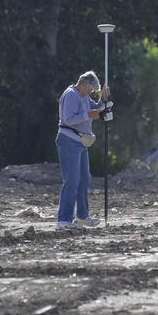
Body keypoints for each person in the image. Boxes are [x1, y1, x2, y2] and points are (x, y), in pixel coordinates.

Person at [56, 71, 110, 229]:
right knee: (71, 181)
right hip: (68, 141)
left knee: (84, 179)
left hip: (81, 143)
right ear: (84, 85)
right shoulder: (71, 95)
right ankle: (64, 220)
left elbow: (96, 109)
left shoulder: (84, 96)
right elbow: (68, 118)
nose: (91, 92)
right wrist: (89, 115)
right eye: (91, 89)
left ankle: (82, 216)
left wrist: (103, 99)